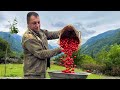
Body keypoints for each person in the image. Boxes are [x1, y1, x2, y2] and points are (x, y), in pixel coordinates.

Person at [22, 11, 62, 79]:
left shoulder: (40, 32)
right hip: (32, 75)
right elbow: (41, 54)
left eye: (38, 22)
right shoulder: (28, 37)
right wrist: (61, 49)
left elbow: (51, 34)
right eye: (34, 23)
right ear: (28, 24)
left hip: (41, 73)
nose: (37, 25)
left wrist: (64, 32)